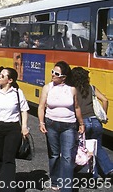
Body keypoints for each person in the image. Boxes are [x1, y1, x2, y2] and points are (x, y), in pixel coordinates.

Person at [38, 61, 85, 192]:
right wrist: (41, 122)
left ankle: (66, 187)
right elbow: (41, 106)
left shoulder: (72, 89)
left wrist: (81, 123)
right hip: (51, 124)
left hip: (69, 126)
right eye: (52, 72)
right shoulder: (47, 88)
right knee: (53, 155)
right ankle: (54, 180)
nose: (52, 74)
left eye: (56, 73)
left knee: (67, 156)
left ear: (64, 77)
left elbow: (77, 107)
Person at [71, 66, 113, 179]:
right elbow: (104, 100)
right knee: (97, 147)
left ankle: (91, 175)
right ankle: (109, 169)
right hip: (95, 121)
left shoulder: (72, 90)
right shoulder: (91, 88)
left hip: (82, 122)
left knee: (83, 148)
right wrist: (103, 114)